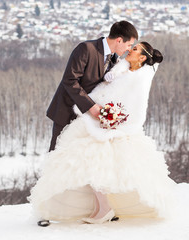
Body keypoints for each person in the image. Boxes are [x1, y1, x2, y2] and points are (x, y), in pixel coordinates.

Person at [29, 42, 175, 225]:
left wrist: (113, 120)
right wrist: (99, 111)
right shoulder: (119, 69)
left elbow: (136, 110)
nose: (130, 50)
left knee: (98, 164)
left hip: (112, 128)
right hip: (96, 120)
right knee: (81, 162)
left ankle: (105, 208)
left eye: (135, 49)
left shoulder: (139, 79)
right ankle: (94, 208)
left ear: (143, 57)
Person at [47, 21, 138, 152]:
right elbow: (70, 80)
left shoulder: (114, 60)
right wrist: (91, 106)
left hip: (88, 122)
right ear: (119, 40)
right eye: (129, 45)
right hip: (67, 113)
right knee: (57, 156)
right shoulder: (86, 48)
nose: (129, 49)